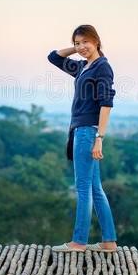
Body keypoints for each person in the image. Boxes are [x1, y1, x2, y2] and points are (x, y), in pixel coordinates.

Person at [47, 24, 118, 253]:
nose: (81, 47)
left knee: (84, 188)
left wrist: (100, 137)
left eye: (85, 41)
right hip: (81, 130)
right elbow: (53, 57)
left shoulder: (102, 68)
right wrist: (76, 49)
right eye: (77, 43)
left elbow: (106, 104)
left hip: (88, 131)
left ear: (96, 40)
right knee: (95, 188)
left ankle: (79, 242)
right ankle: (109, 242)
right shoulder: (82, 67)